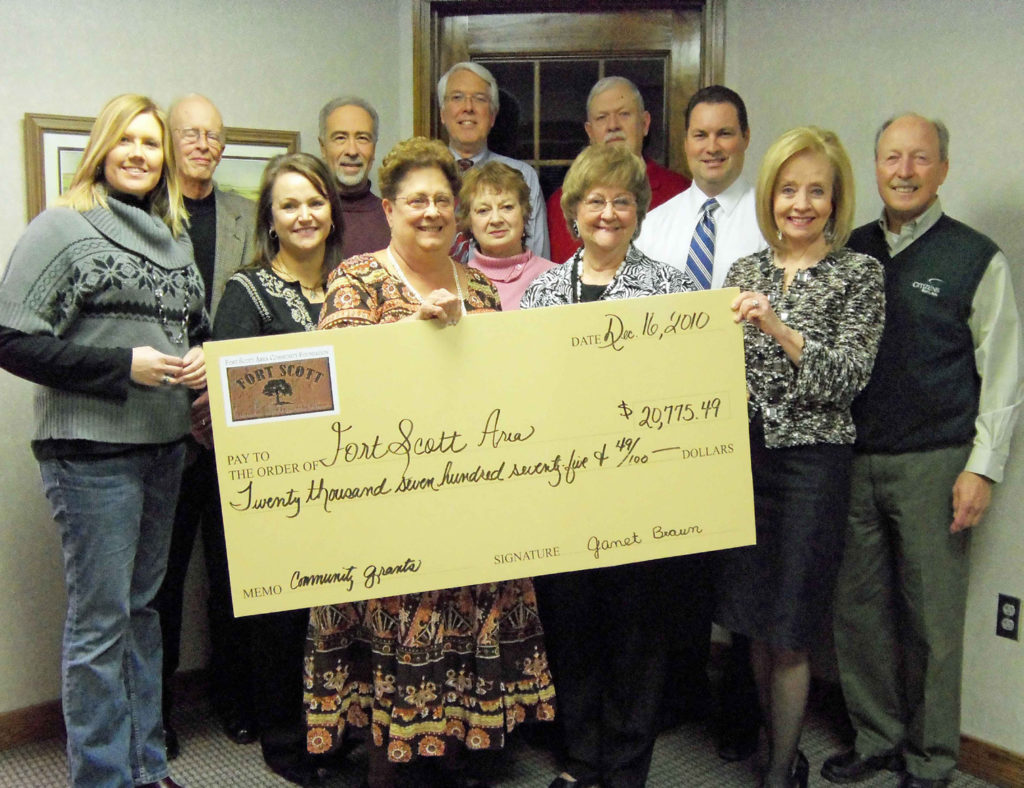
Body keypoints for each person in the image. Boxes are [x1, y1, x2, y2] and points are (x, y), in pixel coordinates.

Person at [306, 137, 555, 788]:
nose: (431, 211)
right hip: (388, 515)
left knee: (464, 650)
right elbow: (336, 390)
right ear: (388, 209)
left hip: (468, 508)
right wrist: (412, 330)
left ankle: (452, 757)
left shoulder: (479, 289)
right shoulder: (355, 279)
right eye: (416, 200)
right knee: (396, 658)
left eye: (443, 199)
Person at [0, 93, 206, 788]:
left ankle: (147, 767)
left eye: (152, 144)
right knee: (100, 625)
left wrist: (200, 355)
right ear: (103, 147)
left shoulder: (173, 238)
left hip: (165, 447)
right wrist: (120, 367)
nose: (141, 154)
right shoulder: (63, 226)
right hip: (91, 456)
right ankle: (102, 777)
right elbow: (10, 339)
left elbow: (187, 329)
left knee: (143, 613)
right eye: (128, 140)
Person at [823, 114, 1023, 788]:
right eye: (890, 157)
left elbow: (1003, 373)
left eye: (919, 158)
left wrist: (981, 468)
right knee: (858, 613)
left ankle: (933, 759)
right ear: (874, 166)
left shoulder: (975, 257)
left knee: (932, 623)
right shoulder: (848, 250)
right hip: (853, 462)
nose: (904, 171)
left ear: (942, 169)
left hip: (936, 464)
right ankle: (877, 738)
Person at [520, 143, 696, 788]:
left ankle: (623, 770)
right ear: (572, 210)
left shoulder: (672, 289)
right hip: (563, 499)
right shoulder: (542, 292)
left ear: (640, 211)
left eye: (623, 200)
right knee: (572, 633)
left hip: (639, 500)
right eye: (595, 200)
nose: (609, 212)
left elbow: (685, 396)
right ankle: (579, 760)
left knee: (636, 639)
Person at [715, 126, 885, 788]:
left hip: (814, 467)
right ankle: (777, 748)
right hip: (746, 463)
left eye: (817, 190)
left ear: (835, 199)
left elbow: (847, 378)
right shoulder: (743, 272)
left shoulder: (859, 273)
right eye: (789, 189)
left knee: (790, 631)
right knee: (754, 624)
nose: (801, 203)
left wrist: (779, 329)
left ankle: (780, 773)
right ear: (771, 197)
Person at [636, 84, 767, 761]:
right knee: (678, 564)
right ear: (682, 144)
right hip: (675, 421)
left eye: (724, 133)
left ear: (744, 139)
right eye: (700, 135)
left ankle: (740, 708)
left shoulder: (769, 218)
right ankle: (680, 690)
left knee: (744, 564)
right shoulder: (657, 222)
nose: (712, 146)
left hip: (749, 419)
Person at [207, 152, 345, 787]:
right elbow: (232, 401)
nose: (304, 214)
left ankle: (333, 731)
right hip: (274, 490)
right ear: (270, 219)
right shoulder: (247, 292)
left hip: (346, 482)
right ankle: (287, 741)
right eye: (289, 204)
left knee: (336, 615)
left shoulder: (352, 287)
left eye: (314, 201)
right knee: (280, 621)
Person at [155, 93, 258, 758]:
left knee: (236, 575)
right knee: (159, 585)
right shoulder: (139, 211)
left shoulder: (249, 214)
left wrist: (219, 391)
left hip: (236, 426)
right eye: (191, 133)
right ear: (170, 138)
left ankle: (236, 700)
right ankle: (156, 712)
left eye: (214, 135)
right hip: (161, 424)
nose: (204, 145)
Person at [547, 76, 690, 263]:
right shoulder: (563, 202)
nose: (613, 125)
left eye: (624, 114)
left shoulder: (681, 191)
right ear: (590, 132)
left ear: (645, 124)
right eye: (602, 117)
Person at [438, 61, 549, 260]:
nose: (468, 107)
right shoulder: (426, 175)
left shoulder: (522, 176)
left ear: (492, 116)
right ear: (443, 114)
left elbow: (537, 260)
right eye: (457, 97)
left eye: (479, 99)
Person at [456, 160, 555, 309]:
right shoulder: (455, 283)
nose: (496, 219)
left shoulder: (557, 278)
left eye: (507, 207)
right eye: (483, 210)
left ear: (524, 213)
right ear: (469, 221)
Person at [318, 96, 391, 257]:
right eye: (340, 138)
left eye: (362, 138)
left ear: (374, 147)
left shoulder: (393, 219)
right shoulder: (305, 219)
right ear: (323, 148)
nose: (352, 151)